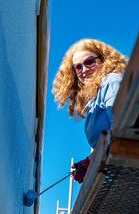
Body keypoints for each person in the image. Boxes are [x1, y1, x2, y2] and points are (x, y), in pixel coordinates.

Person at [52, 38, 128, 183]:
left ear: (103, 60)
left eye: (89, 62)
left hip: (130, 165)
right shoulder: (93, 104)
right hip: (117, 174)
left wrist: (90, 160)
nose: (84, 70)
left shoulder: (111, 81)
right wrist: (90, 162)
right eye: (78, 67)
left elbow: (119, 127)